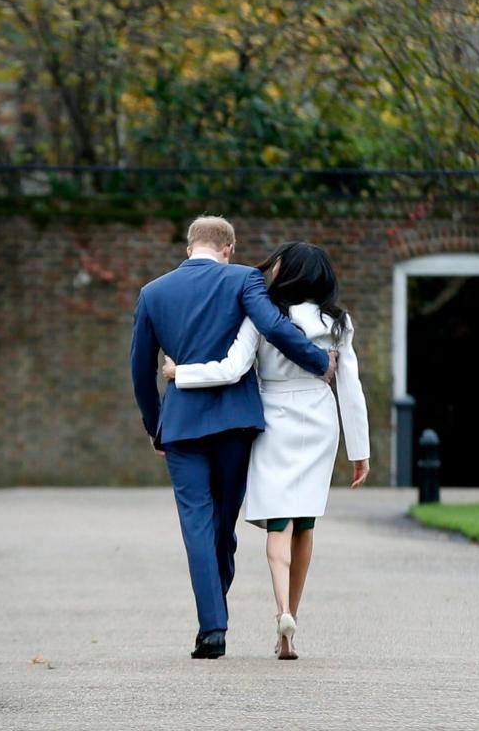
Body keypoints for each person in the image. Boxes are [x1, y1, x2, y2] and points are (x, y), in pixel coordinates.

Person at [130, 217, 336, 659]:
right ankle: (215, 616)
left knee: (197, 523)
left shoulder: (153, 293)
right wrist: (318, 362)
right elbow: (275, 329)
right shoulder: (243, 278)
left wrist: (154, 425)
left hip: (182, 424)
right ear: (229, 248)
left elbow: (140, 369)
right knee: (224, 523)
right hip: (235, 423)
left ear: (189, 248)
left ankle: (212, 626)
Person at [164, 242, 370, 660]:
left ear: (286, 272)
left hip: (274, 417)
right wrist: (359, 451)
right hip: (319, 417)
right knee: (305, 521)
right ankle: (291, 618)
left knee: (279, 522)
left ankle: (281, 610)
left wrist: (178, 372)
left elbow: (232, 368)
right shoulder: (337, 322)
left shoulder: (264, 315)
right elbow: (352, 390)